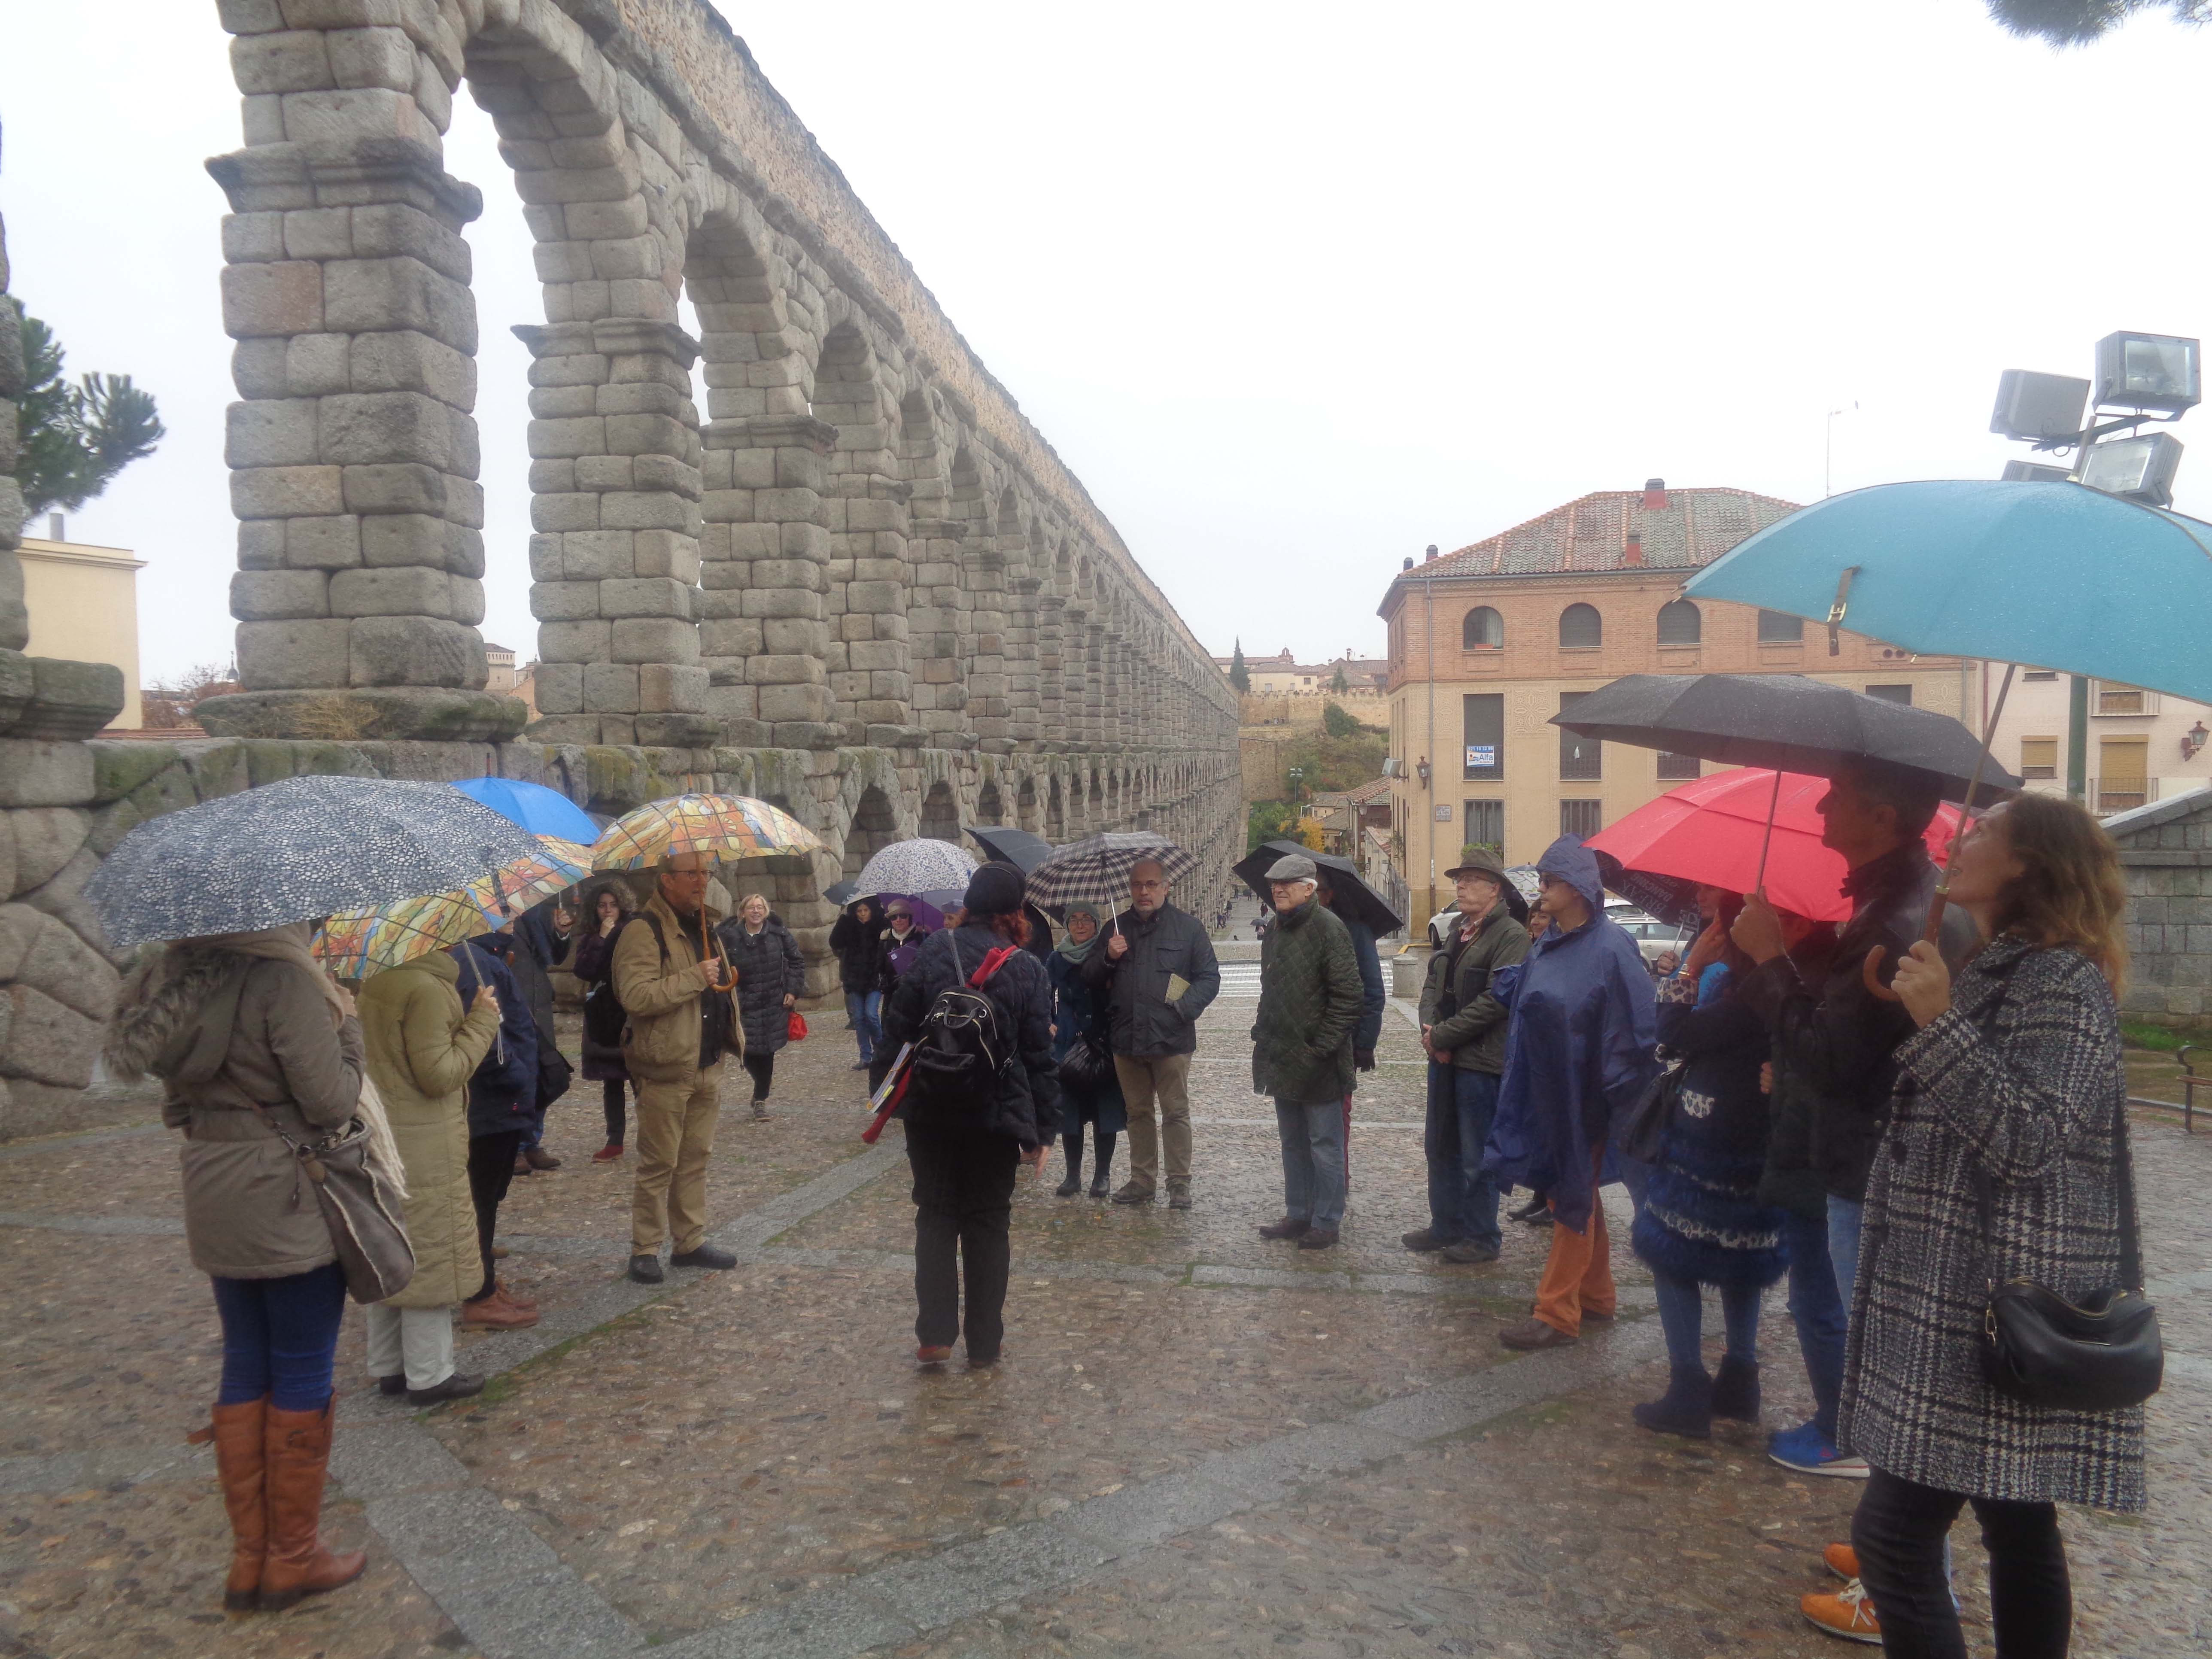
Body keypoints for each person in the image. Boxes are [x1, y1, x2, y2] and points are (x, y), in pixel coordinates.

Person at [1825, 796, 2144, 1658]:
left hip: (1985, 1306)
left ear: (2027, 864)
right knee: (2015, 1518)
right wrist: (1922, 1010)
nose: (1957, 843)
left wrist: (1938, 1022)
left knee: (1892, 1539)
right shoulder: (2000, 964)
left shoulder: (2062, 981)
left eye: (1981, 835)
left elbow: (2029, 1138)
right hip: (1962, 1297)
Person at [104, 922, 374, 1612]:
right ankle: (292, 1558)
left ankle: (251, 1558)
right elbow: (333, 1102)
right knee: (303, 1363)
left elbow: (177, 1106)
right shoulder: (282, 980)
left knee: (247, 1359)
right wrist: (347, 1024)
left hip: (215, 1192)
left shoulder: (171, 982)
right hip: (285, 1192)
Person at [876, 863, 1060, 1364]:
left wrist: (885, 1094)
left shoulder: (936, 948)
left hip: (932, 1107)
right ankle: (984, 1341)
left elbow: (897, 1025)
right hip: (995, 1114)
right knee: (987, 1223)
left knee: (935, 1216)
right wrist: (1042, 1131)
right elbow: (1040, 1058)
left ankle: (934, 1334)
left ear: (970, 904)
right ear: (1015, 912)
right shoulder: (1028, 969)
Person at [1485, 835, 1658, 1350]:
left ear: (1580, 889)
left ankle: (1557, 1313)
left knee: (1571, 1194)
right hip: (1548, 1089)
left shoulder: (1611, 947)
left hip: (1591, 1095)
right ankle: (1597, 1296)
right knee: (1570, 1192)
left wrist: (1614, 1094)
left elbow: (1636, 1025)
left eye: (1551, 882)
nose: (1541, 891)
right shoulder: (1550, 942)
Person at [1630, 896, 1793, 1439]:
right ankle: (1739, 1379)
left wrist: (1691, 966)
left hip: (1709, 1146)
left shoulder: (1747, 993)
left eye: (1718, 918)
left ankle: (1688, 1389)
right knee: (1741, 1260)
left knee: (1672, 1255)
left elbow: (1673, 1033)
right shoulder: (1785, 982)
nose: (1710, 925)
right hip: (1754, 1144)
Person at [354, 938, 506, 1406]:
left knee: (391, 1249)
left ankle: (389, 1367)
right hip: (423, 1142)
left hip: (385, 1134)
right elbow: (440, 1074)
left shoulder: (375, 980)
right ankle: (430, 1374)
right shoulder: (426, 987)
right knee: (432, 1253)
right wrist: (482, 1019)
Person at [617, 852, 744, 1285]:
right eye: (691, 874)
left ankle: (689, 1242)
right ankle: (645, 1248)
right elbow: (636, 996)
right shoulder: (643, 929)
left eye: (706, 872)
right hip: (666, 1066)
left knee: (695, 1159)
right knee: (658, 1163)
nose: (701, 881)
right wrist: (695, 976)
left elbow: (717, 985)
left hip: (706, 1062)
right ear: (666, 880)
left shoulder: (706, 925)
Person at [1409, 849, 1528, 1265]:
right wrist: (1429, 1030)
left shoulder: (1510, 935)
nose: (1460, 886)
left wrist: (1443, 1035)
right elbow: (1431, 981)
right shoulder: (1459, 928)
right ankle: (1446, 1225)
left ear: (1494, 888)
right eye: (1459, 879)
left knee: (1477, 1153)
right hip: (1443, 1057)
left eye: (1471, 880)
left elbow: (1497, 1001)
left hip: (1480, 1062)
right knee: (1439, 1145)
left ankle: (1482, 1236)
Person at [1080, 857, 1221, 1209]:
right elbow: (1090, 978)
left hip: (1171, 1038)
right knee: (1137, 1113)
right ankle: (1142, 1179)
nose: (1144, 892)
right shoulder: (1114, 929)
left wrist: (1183, 1010)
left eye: (1151, 885)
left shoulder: (1188, 929)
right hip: (1126, 1039)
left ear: (1166, 887)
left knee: (1175, 1112)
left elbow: (1209, 977)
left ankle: (1179, 1183)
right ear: (1130, 889)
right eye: (1138, 885)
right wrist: (1108, 958)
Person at [1250, 854, 1364, 1250]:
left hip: (1320, 1062)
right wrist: (1262, 1029)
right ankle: (1298, 1213)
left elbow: (1349, 997)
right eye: (1273, 884)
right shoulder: (1276, 930)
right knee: (1293, 1143)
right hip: (1282, 1054)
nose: (1277, 889)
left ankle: (1327, 1221)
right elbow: (1272, 990)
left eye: (1287, 883)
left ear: (1309, 888)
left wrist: (1321, 1048)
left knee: (1325, 1145)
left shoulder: (1330, 929)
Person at [449, 937, 541, 1332]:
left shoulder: (479, 957)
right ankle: (479, 1295)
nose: (511, 915)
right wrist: (519, 1080)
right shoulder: (470, 962)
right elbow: (491, 1039)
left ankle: (483, 1283)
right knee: (480, 1201)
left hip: (494, 1103)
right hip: (491, 1104)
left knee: (486, 1199)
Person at [1047, 903, 1127, 1197]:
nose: (1080, 926)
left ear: (1096, 924)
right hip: (1067, 1043)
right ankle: (1072, 1175)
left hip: (1103, 1041)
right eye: (1074, 921)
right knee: (1071, 1111)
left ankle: (1102, 1175)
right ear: (1067, 926)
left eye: (1086, 920)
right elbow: (1043, 993)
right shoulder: (1056, 959)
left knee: (1105, 1110)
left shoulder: (1108, 953)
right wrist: (1048, 1023)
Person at [1315, 867, 1386, 1197]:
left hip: (1342, 1041)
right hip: (1300, 1044)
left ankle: (1335, 1186)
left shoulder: (1355, 932)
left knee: (1335, 1119)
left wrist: (1365, 1043)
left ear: (1328, 895)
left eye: (1313, 889)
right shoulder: (1287, 930)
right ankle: (1310, 1187)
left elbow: (1372, 991)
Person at [493, 897, 572, 1173]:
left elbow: (554, 956)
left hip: (540, 1009)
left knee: (541, 1076)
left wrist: (561, 933)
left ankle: (532, 1142)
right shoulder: (491, 910)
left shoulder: (535, 907)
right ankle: (513, 1147)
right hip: (511, 1006)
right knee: (515, 1079)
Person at [718, 892, 805, 1120]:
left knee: (767, 1052)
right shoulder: (730, 937)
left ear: (766, 912)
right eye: (751, 907)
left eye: (760, 907)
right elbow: (720, 970)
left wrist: (792, 990)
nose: (756, 911)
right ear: (743, 912)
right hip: (743, 1004)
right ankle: (760, 1088)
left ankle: (760, 1100)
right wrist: (733, 996)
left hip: (773, 1002)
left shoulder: (779, 935)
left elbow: (797, 961)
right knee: (745, 1049)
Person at [574, 882, 635, 1162]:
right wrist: (601, 938)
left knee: (641, 1077)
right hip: (603, 1014)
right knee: (612, 1080)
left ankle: (653, 1135)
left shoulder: (634, 931)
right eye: (602, 905)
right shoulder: (590, 936)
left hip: (630, 1010)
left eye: (612, 904)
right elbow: (585, 969)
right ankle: (615, 1138)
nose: (608, 910)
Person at [829, 897, 887, 1071]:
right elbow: (835, 942)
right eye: (859, 911)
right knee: (859, 1019)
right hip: (854, 979)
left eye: (865, 911)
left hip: (873, 979)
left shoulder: (880, 926)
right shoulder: (849, 926)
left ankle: (880, 1051)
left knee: (871, 1015)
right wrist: (843, 920)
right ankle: (866, 1056)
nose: (862, 915)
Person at [876, 900, 929, 996]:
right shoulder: (885, 940)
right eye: (894, 917)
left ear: (910, 917)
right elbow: (881, 967)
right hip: (892, 993)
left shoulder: (921, 937)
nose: (898, 920)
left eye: (903, 916)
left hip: (917, 993)